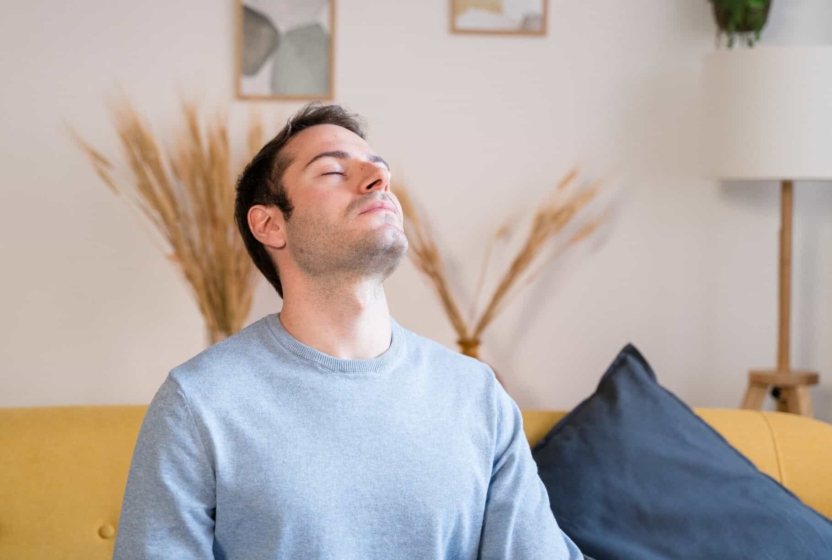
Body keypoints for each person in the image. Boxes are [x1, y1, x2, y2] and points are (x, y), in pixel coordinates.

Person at [112, 103, 585, 559]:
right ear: (271, 224)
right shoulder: (200, 402)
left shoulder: (477, 395)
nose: (378, 181)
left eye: (380, 172)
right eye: (333, 172)